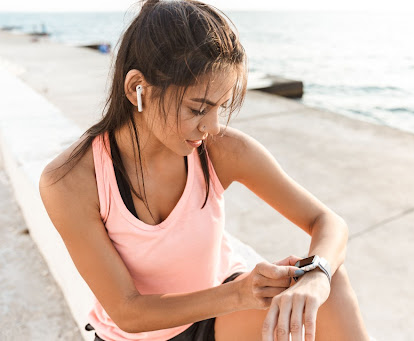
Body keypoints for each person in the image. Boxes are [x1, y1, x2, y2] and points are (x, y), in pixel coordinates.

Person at [39, 1, 370, 340]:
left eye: (221, 107)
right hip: (145, 331)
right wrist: (240, 294)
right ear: (137, 88)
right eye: (198, 108)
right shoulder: (71, 181)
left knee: (330, 282)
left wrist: (318, 275)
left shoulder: (221, 151)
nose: (211, 126)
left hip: (218, 315)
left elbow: (328, 222)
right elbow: (128, 311)